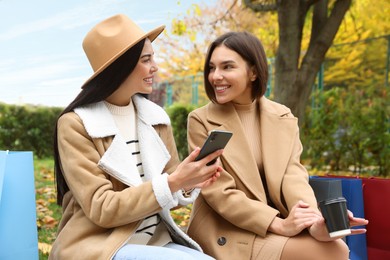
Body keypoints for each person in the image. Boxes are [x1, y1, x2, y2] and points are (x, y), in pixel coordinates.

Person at [49, 14, 223, 260]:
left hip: (155, 242)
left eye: (153, 57)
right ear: (120, 68)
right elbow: (102, 208)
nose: (155, 67)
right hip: (101, 246)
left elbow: (167, 191)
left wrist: (190, 181)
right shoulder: (77, 125)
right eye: (146, 59)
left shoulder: (156, 118)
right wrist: (173, 182)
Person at [186, 31, 368, 260]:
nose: (215, 76)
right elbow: (219, 193)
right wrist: (278, 224)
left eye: (227, 67)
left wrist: (312, 220)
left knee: (336, 248)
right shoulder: (201, 120)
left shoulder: (282, 115)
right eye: (212, 68)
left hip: (280, 220)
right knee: (330, 253)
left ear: (253, 72)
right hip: (228, 228)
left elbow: (293, 175)